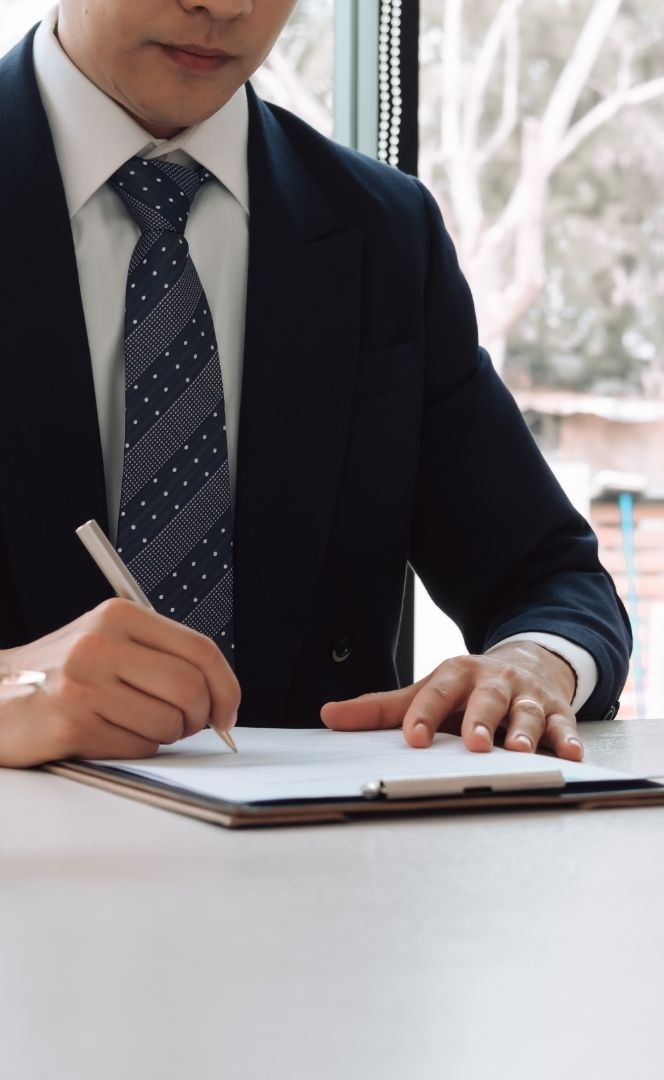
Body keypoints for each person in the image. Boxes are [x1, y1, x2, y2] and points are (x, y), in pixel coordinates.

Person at [0, 0, 630, 769]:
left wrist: (534, 665)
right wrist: (15, 685)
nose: (226, 4)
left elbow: (549, 576)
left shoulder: (388, 232)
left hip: (322, 868)